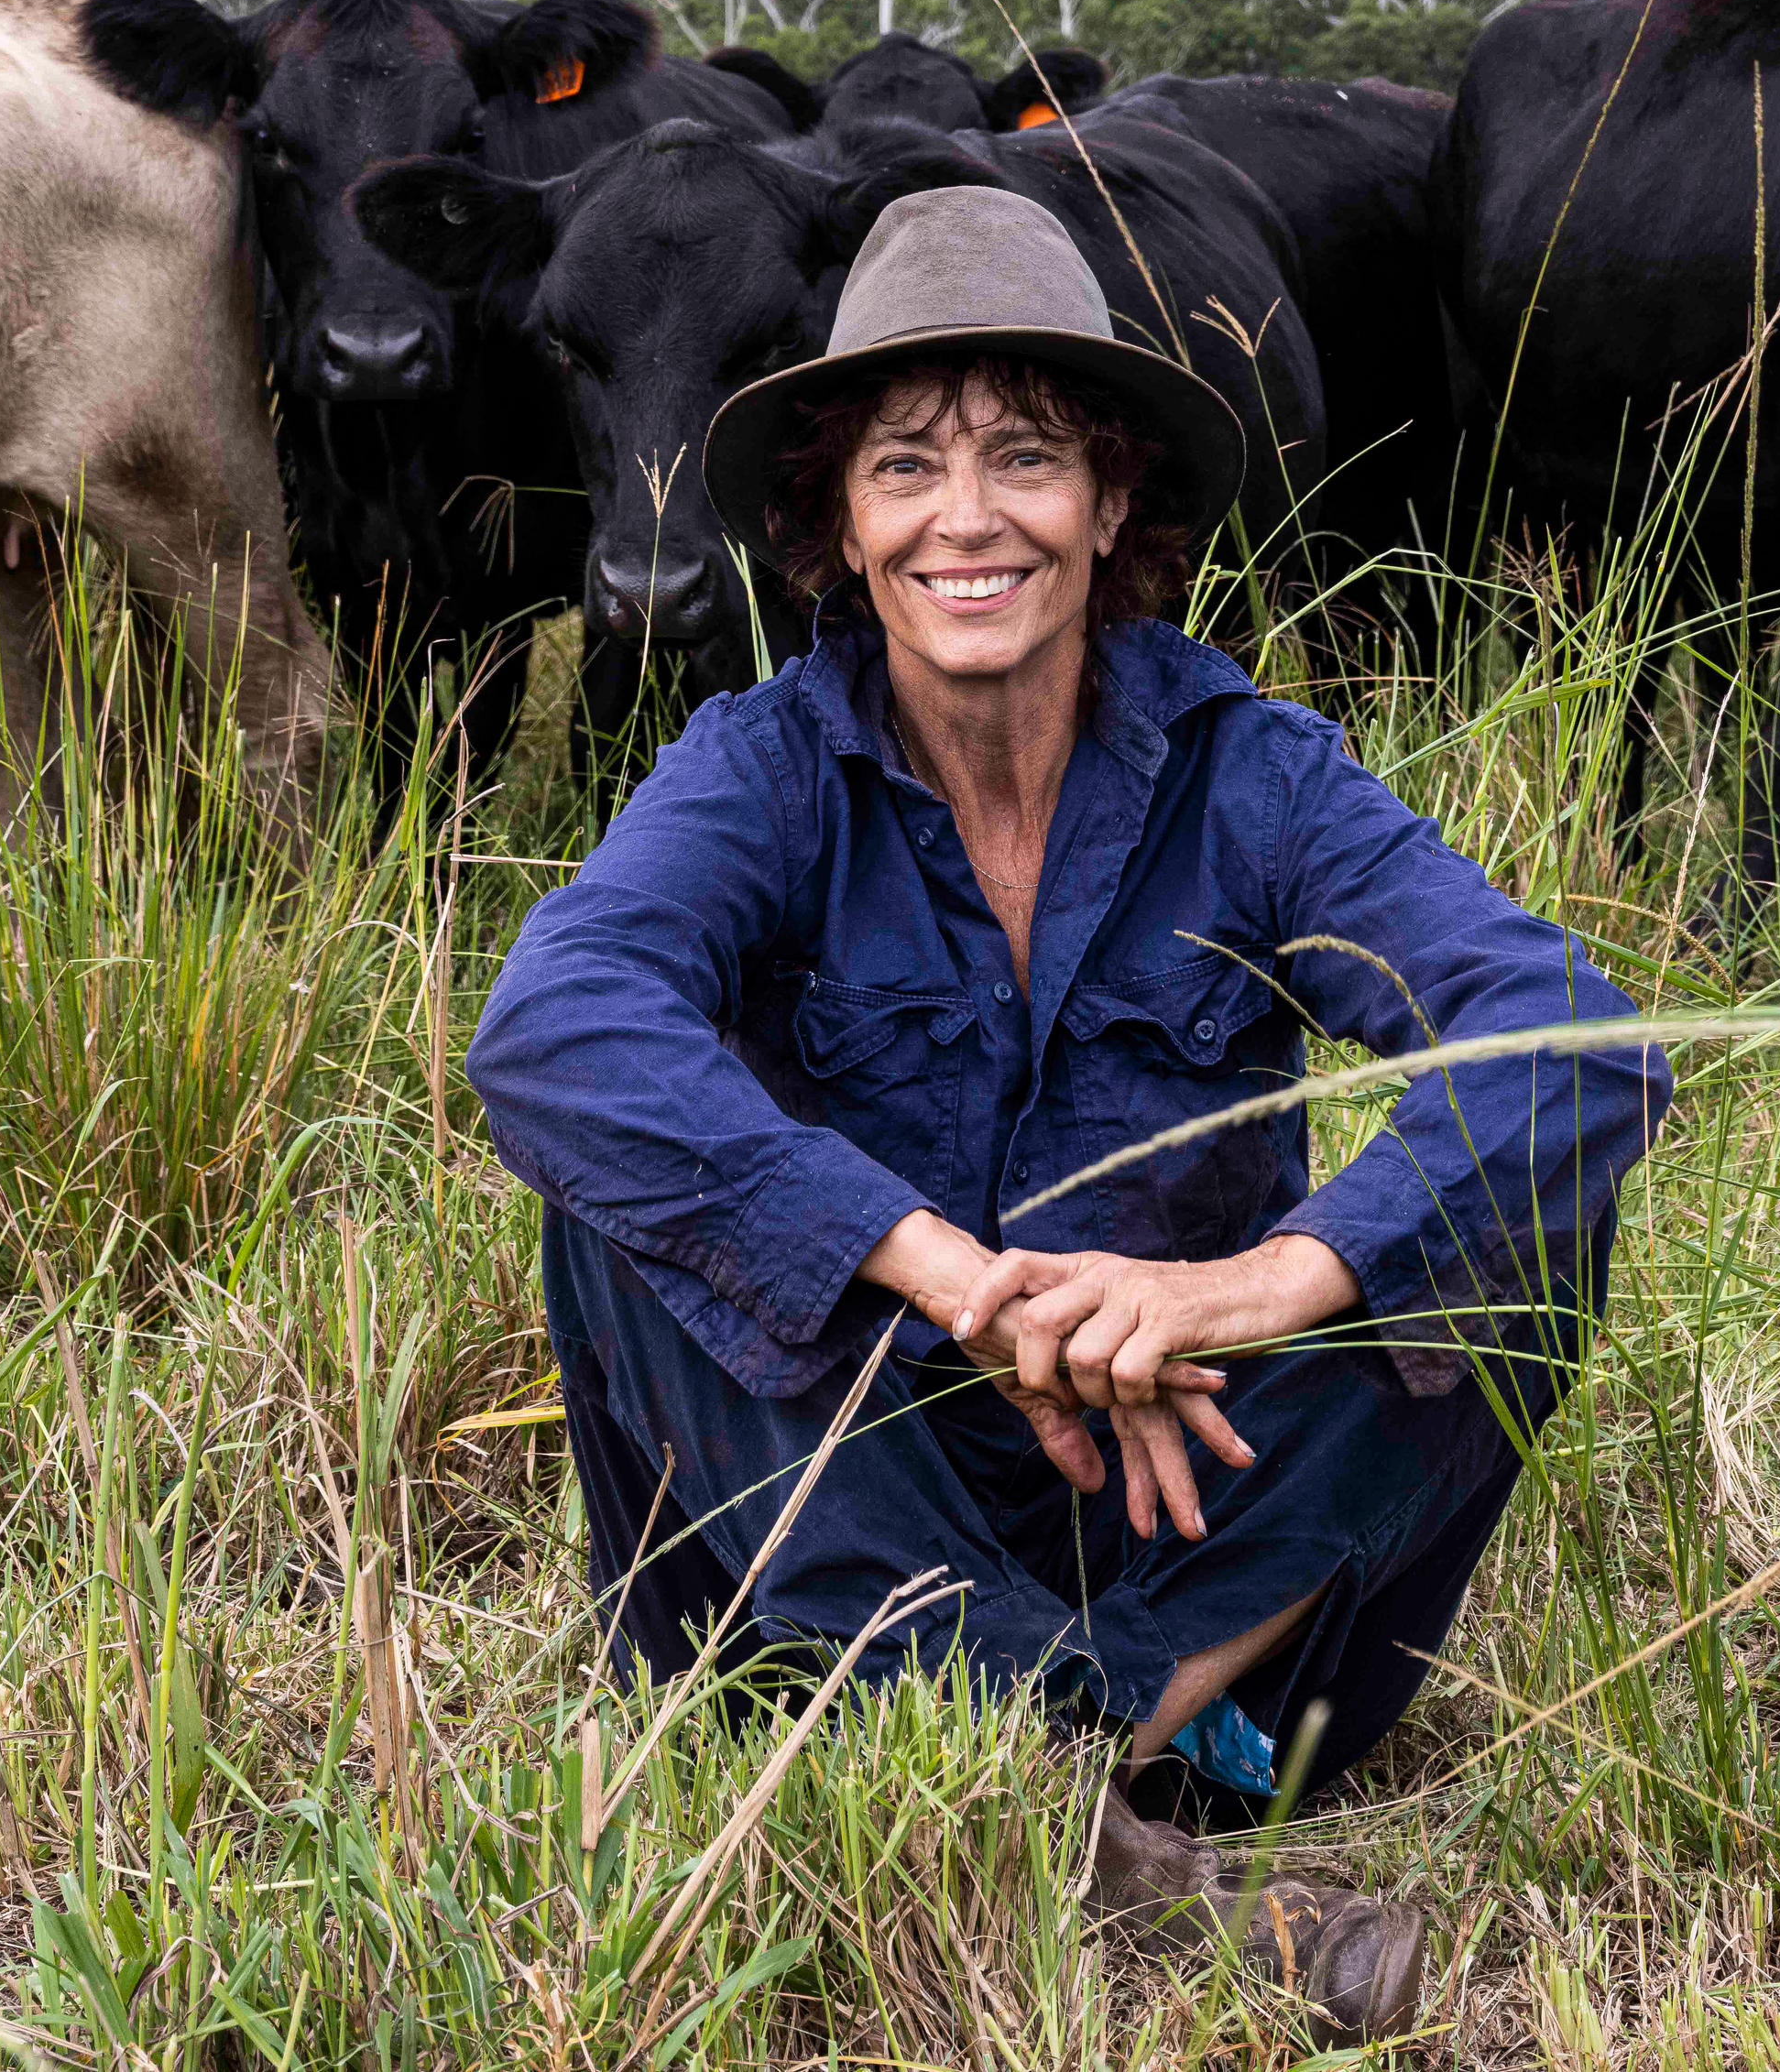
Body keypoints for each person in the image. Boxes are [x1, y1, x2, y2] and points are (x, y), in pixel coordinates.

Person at [466, 185, 1669, 2035]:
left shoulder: (1250, 772)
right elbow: (552, 1029)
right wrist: (950, 1276)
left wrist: (1247, 1287)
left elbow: (1569, 1037)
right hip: (839, 1508)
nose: (968, 519)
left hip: (1190, 1508)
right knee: (618, 1186)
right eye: (903, 468)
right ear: (836, 528)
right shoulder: (766, 771)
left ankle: (1042, 1764)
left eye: (1025, 457)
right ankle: (1096, 1812)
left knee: (1521, 1211)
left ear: (1111, 508)